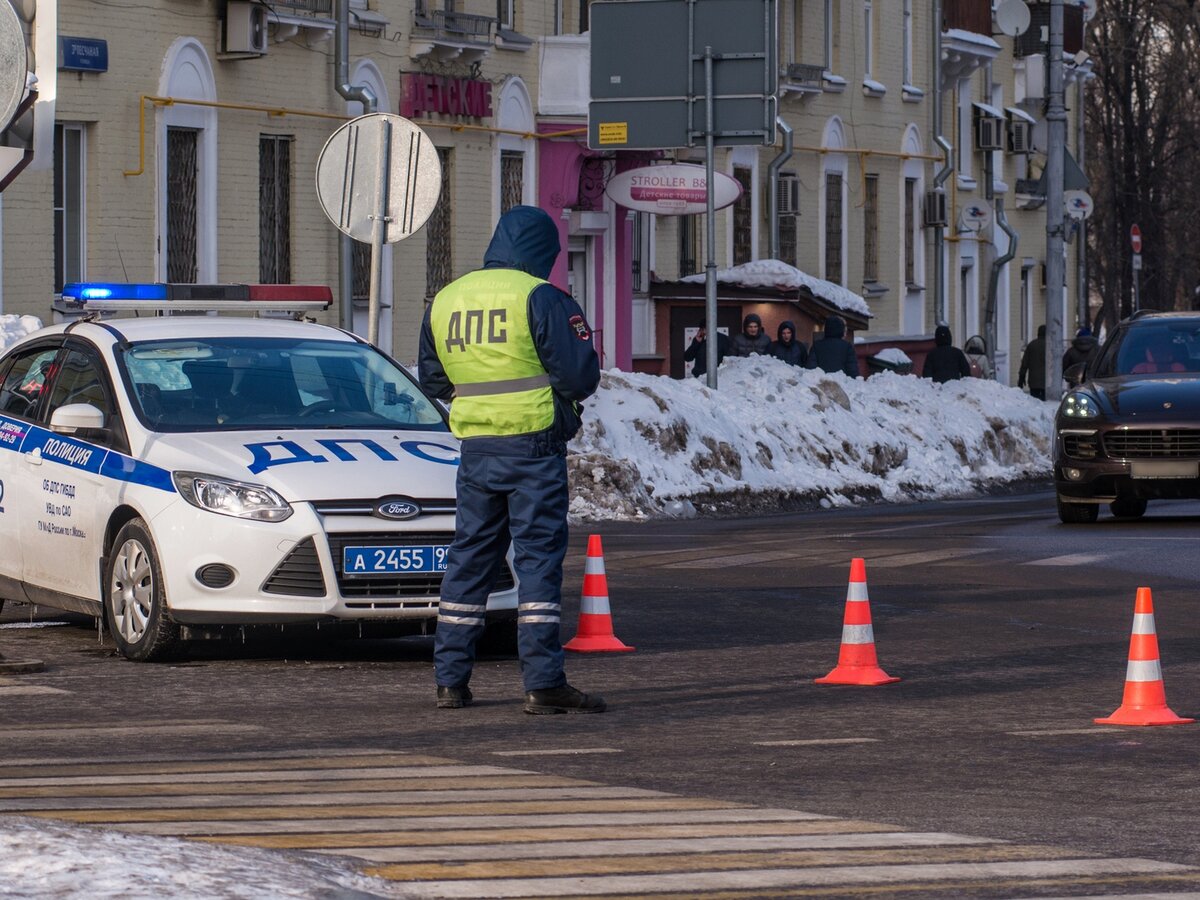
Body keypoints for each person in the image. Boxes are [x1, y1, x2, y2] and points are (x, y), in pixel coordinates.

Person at [419, 205, 605, 715]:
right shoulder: (540, 297)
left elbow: (434, 381)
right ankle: (543, 682)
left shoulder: (447, 300)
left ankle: (450, 682)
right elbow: (579, 375)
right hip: (534, 447)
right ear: (543, 251)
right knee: (538, 563)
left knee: (469, 560)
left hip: (477, 451)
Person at [1017, 325, 1047, 399]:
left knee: (1034, 402)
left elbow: (1025, 363)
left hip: (1034, 381)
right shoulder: (1051, 345)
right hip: (1048, 382)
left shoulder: (1032, 345)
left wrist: (1021, 377)